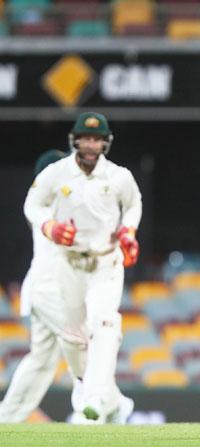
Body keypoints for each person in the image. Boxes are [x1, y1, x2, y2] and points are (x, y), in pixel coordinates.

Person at [23, 112, 141, 422]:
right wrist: (49, 226)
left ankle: (94, 398)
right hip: (69, 263)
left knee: (105, 323)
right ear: (75, 140)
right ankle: (105, 398)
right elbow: (32, 204)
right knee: (73, 337)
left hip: (105, 262)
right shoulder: (55, 173)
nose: (91, 145)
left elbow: (133, 204)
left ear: (106, 143)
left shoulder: (119, 176)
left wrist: (128, 231)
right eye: (86, 139)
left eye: (97, 139)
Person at [0, 150, 90, 423]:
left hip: (45, 288)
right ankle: (91, 414)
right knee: (84, 341)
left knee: (41, 361)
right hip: (52, 289)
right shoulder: (51, 203)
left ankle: (5, 420)